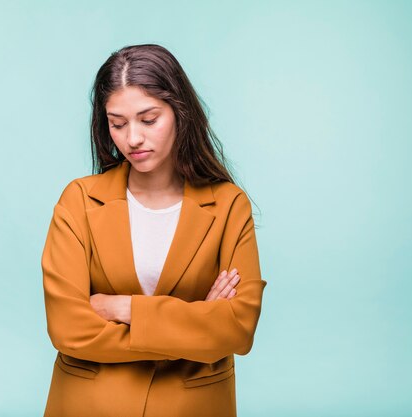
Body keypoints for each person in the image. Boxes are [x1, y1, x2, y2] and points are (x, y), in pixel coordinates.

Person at [41, 43, 267, 417]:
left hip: (191, 407)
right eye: (117, 123)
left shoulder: (229, 205)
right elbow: (68, 329)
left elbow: (237, 330)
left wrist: (123, 307)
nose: (132, 139)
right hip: (89, 406)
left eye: (148, 120)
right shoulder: (78, 200)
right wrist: (196, 325)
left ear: (181, 114)